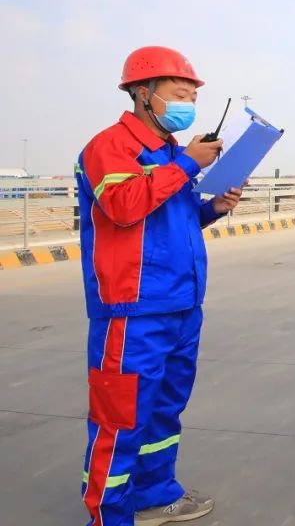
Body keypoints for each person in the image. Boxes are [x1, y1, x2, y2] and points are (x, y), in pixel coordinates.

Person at [76, 45, 244, 526]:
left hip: (181, 304)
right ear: (142, 93)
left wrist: (213, 209)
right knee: (120, 420)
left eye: (192, 94)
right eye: (179, 92)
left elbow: (174, 221)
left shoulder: (171, 154)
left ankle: (154, 496)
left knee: (165, 411)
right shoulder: (110, 147)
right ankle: (109, 516)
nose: (188, 102)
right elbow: (123, 206)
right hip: (132, 309)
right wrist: (188, 164)